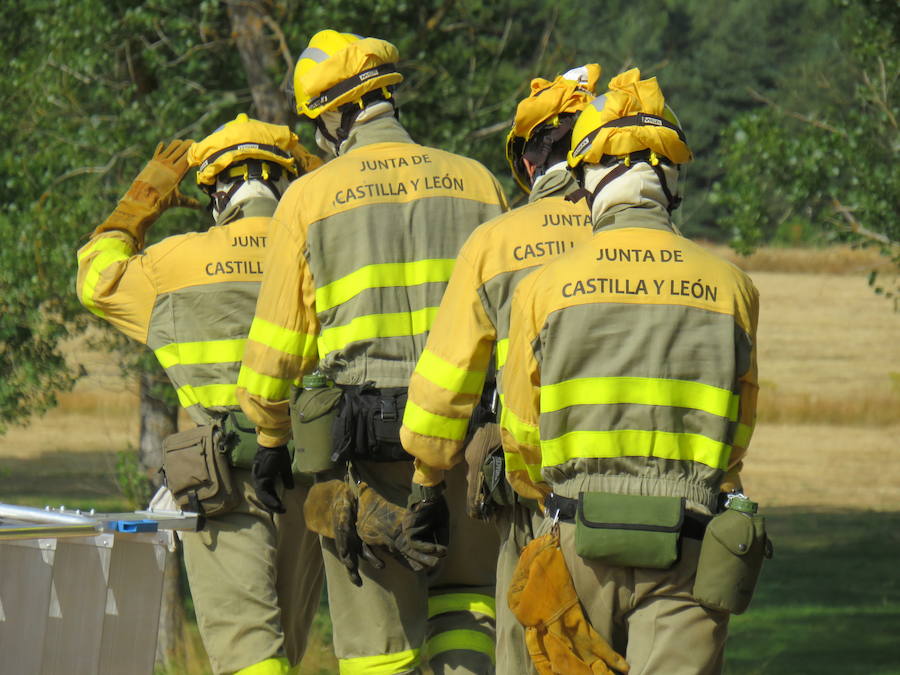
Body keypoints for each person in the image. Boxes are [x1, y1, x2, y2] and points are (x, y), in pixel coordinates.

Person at [235, 30, 508, 675]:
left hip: (369, 458)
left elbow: (277, 349)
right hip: (466, 446)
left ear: (333, 114)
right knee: (466, 617)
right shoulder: (477, 182)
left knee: (378, 654)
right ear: (386, 96)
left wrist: (272, 440)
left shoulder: (307, 198)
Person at [500, 68, 760, 674]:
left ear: (586, 175)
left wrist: (548, 497)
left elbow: (519, 430)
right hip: (691, 538)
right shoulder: (732, 288)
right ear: (671, 176)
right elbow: (738, 430)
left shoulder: (543, 288)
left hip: (574, 532)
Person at [75, 115, 325, 675]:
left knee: (247, 650)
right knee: (290, 637)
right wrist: (317, 172)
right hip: (307, 470)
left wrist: (145, 198)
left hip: (219, 482)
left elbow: (94, 278)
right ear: (285, 181)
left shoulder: (172, 265)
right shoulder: (324, 251)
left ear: (214, 189)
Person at [399, 64, 600, 674]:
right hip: (651, 498)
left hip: (538, 497)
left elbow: (447, 381)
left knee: (528, 649)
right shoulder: (655, 242)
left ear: (530, 165)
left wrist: (427, 483)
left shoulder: (496, 241)